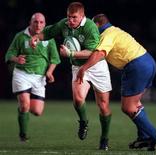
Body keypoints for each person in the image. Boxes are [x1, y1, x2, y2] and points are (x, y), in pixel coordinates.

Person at [76, 14, 156, 151]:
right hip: (147, 61)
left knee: (128, 107)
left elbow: (100, 54)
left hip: (136, 65)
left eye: (92, 26)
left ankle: (154, 136)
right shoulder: (115, 30)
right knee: (136, 104)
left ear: (97, 25)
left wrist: (84, 68)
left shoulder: (107, 34)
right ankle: (144, 137)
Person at [30, 2, 112, 150]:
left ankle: (104, 138)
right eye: (69, 17)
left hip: (97, 65)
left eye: (74, 17)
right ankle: (83, 122)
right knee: (78, 99)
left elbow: (92, 52)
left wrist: (71, 54)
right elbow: (48, 32)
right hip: (78, 66)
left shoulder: (90, 28)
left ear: (82, 16)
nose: (71, 20)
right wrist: (37, 37)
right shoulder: (65, 24)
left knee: (103, 105)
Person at [5, 12, 61, 142]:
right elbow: (8, 55)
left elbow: (55, 59)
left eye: (41, 22)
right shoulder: (20, 36)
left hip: (39, 77)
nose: (38, 24)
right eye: (36, 21)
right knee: (25, 104)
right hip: (22, 74)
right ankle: (23, 135)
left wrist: (49, 72)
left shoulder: (49, 39)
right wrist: (16, 59)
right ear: (30, 23)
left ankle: (22, 110)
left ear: (45, 24)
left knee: (37, 111)